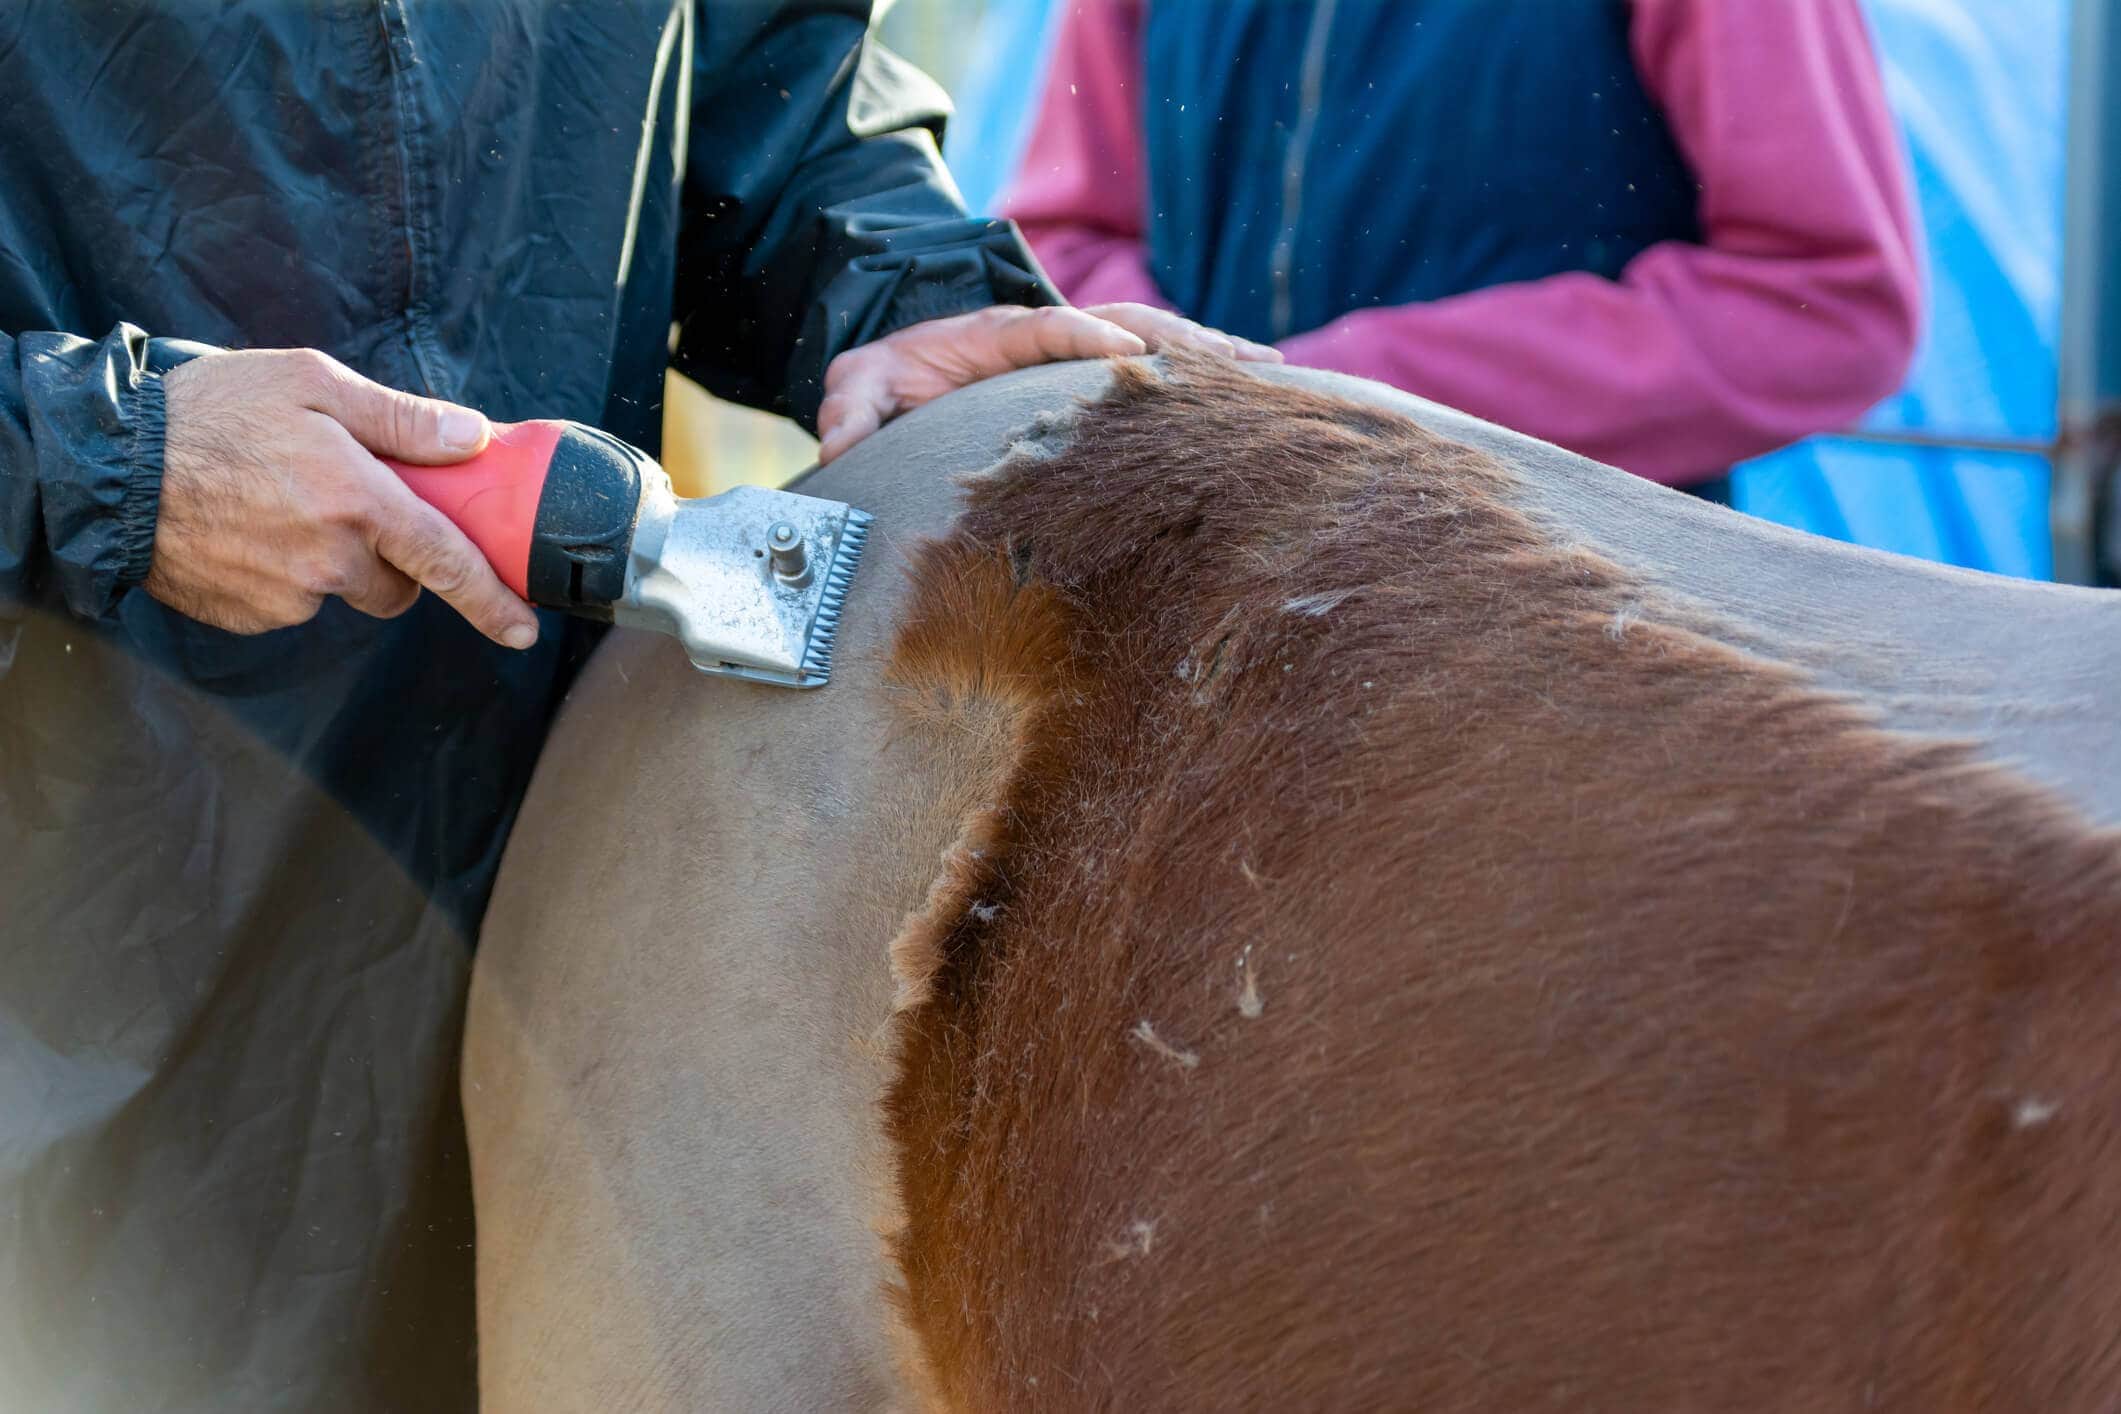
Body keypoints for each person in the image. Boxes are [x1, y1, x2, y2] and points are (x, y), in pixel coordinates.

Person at [0, 6, 1261, 1409]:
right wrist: (104, 465)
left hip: (551, 888)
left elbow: (768, 108)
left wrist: (916, 297)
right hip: (75, 945)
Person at [1001, 0, 1925, 498]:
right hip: (1208, 586)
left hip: (1569, 626)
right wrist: (1182, 376)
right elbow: (1060, 241)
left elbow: (1825, 296)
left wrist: (1348, 386)